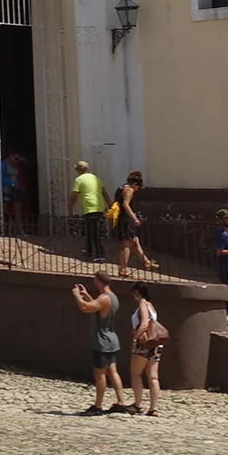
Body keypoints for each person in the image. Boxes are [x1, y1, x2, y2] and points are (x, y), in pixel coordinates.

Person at [70, 268, 124, 415]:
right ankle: (121, 402)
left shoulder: (104, 298)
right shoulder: (112, 297)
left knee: (99, 373)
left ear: (98, 281)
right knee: (113, 371)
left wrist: (77, 296)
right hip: (112, 339)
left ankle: (98, 406)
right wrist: (86, 294)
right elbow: (96, 307)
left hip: (102, 341)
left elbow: (86, 308)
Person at [124, 282, 167, 416]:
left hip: (144, 343)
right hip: (155, 344)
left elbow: (143, 324)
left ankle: (137, 404)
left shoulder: (142, 304)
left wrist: (135, 338)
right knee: (153, 377)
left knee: (136, 373)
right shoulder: (151, 306)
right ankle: (153, 408)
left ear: (137, 292)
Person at [111, 171, 155, 272]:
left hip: (121, 218)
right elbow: (126, 204)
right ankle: (122, 269)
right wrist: (134, 218)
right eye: (138, 187)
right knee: (126, 244)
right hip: (125, 220)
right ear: (135, 184)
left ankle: (146, 261)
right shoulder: (129, 190)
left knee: (135, 240)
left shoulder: (121, 187)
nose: (137, 190)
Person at [72, 161, 108, 261]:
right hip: (99, 206)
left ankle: (99, 254)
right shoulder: (96, 178)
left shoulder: (79, 180)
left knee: (94, 232)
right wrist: (111, 205)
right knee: (89, 230)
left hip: (89, 207)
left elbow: (74, 195)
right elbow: (104, 193)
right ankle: (89, 250)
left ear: (78, 170)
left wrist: (70, 208)